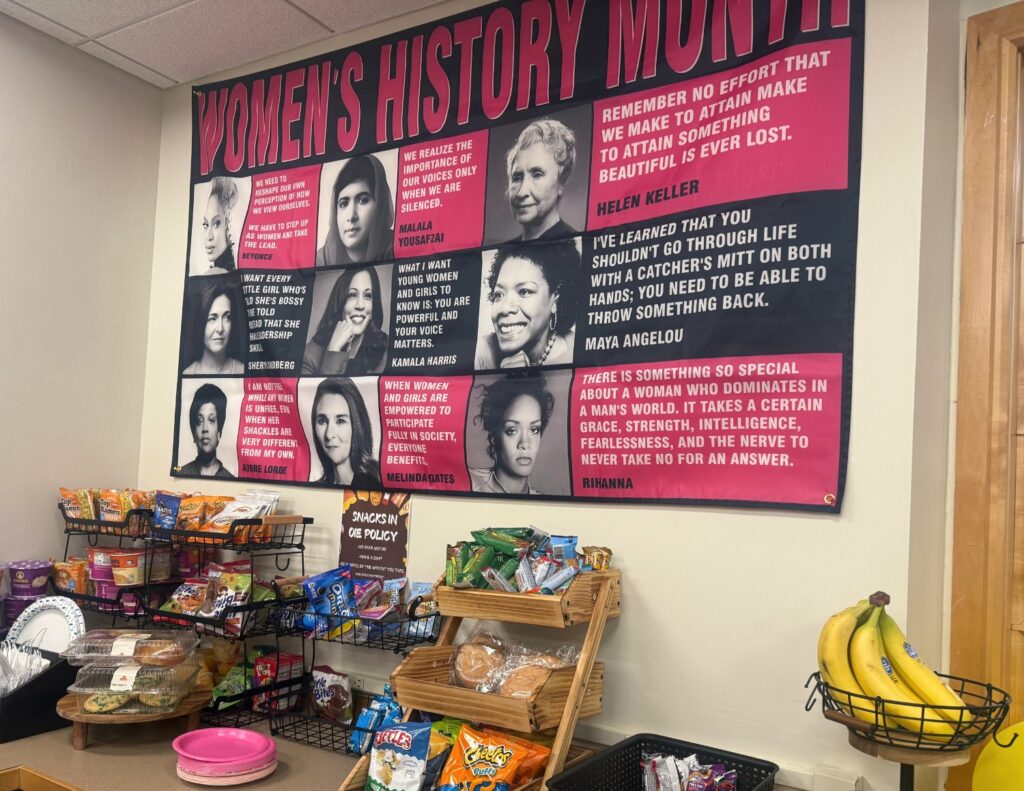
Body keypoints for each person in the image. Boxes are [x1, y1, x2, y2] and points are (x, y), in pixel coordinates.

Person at [475, 241, 579, 369]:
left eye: (524, 291)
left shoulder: (580, 351)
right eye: (499, 295)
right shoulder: (480, 353)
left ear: (555, 299)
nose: (505, 308)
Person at [470, 375, 555, 495]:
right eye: (512, 430)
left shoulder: (544, 504)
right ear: (494, 437)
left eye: (534, 430)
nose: (525, 444)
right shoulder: (470, 483)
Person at [303, 267, 388, 375]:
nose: (360, 305)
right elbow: (321, 391)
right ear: (340, 303)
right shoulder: (309, 356)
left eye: (368, 296)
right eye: (352, 295)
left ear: (373, 309)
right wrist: (333, 350)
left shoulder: (386, 349)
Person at [505, 118, 577, 242]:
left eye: (537, 175)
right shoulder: (501, 254)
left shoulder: (576, 247)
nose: (522, 193)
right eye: (516, 178)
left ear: (561, 181)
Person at [316, 155, 394, 267]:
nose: (351, 216)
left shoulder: (398, 250)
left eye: (363, 200)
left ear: (381, 205)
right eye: (343, 204)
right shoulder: (322, 261)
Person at [311, 377, 382, 489]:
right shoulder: (313, 490)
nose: (329, 435)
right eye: (322, 421)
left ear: (357, 426)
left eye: (340, 421)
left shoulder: (378, 483)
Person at [183, 281, 245, 375]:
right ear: (201, 322)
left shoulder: (243, 371)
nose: (220, 329)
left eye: (227, 317)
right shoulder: (188, 373)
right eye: (212, 318)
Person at [179, 383, 235, 478]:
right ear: (193, 433)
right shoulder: (181, 472)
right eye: (199, 421)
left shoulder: (230, 479)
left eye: (211, 420)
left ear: (219, 432)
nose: (205, 429)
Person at [199, 177, 238, 274]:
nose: (209, 236)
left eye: (216, 223)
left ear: (228, 222)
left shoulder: (212, 275)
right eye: (205, 225)